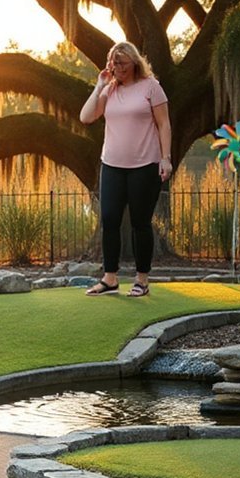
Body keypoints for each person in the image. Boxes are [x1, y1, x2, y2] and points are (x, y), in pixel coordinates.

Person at [79, 41, 172, 297]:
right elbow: (86, 117)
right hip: (111, 166)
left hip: (145, 165)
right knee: (109, 219)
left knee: (140, 223)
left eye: (122, 62)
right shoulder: (109, 90)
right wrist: (99, 85)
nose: (118, 67)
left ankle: (142, 279)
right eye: (114, 63)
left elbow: (164, 124)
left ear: (133, 62)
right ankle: (110, 278)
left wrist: (165, 158)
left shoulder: (151, 87)